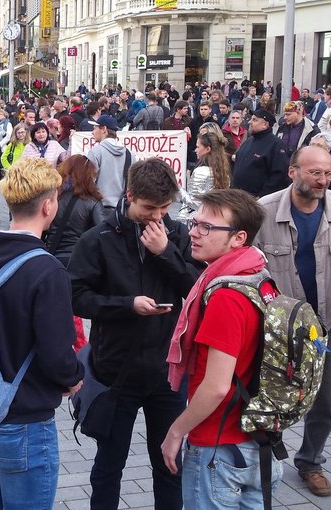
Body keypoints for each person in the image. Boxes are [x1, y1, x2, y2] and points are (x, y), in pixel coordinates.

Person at [68, 158, 202, 510]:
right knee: (109, 466)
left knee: (169, 464)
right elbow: (75, 296)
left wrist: (166, 254)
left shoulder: (179, 235)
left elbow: (197, 289)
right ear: (129, 196)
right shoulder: (97, 239)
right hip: (116, 371)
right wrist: (127, 305)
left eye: (165, 207)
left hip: (167, 373)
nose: (157, 216)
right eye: (148, 208)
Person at [0, 157, 84, 508]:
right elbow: (57, 355)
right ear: (48, 205)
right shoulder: (46, 269)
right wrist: (75, 379)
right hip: (24, 417)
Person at [161, 188, 283, 510]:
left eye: (206, 227)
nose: (194, 233)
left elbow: (215, 387)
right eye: (194, 223)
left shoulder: (225, 297)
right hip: (259, 441)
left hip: (220, 446)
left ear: (238, 237)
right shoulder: (261, 276)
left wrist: (176, 431)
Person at [252, 145, 331, 498]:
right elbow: (246, 269)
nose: (323, 180)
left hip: (326, 328)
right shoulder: (264, 211)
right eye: (315, 173)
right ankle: (269, 458)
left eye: (328, 173)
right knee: (274, 398)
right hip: (278, 331)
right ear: (293, 172)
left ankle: (311, 461)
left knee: (325, 402)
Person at [45, 155, 105, 351]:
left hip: (50, 259)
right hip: (75, 263)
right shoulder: (93, 202)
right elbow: (102, 236)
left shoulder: (54, 198)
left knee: (54, 310)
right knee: (72, 313)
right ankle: (78, 355)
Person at [231, 109, 290, 197]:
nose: (250, 122)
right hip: (238, 196)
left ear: (265, 124)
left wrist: (262, 196)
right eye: (251, 119)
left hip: (256, 200)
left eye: (255, 120)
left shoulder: (276, 145)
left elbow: (279, 175)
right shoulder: (249, 140)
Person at [177, 132, 232, 222]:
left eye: (198, 147)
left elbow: (194, 203)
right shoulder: (224, 172)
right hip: (214, 219)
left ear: (207, 149)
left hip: (194, 220)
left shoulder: (201, 171)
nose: (195, 150)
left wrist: (177, 187)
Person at [85, 115, 133, 215]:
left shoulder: (96, 152)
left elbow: (88, 182)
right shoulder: (130, 153)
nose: (92, 132)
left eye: (95, 128)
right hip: (122, 210)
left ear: (104, 129)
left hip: (99, 208)